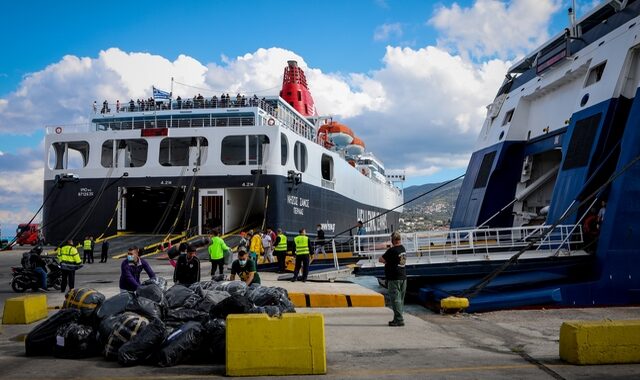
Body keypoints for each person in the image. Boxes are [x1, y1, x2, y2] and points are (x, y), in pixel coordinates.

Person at [378, 232, 407, 327]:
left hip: (394, 278)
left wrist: (387, 261)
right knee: (400, 300)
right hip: (403, 277)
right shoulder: (403, 249)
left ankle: (399, 320)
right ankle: (397, 318)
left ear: (393, 240)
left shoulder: (392, 250)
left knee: (395, 300)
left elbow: (381, 259)